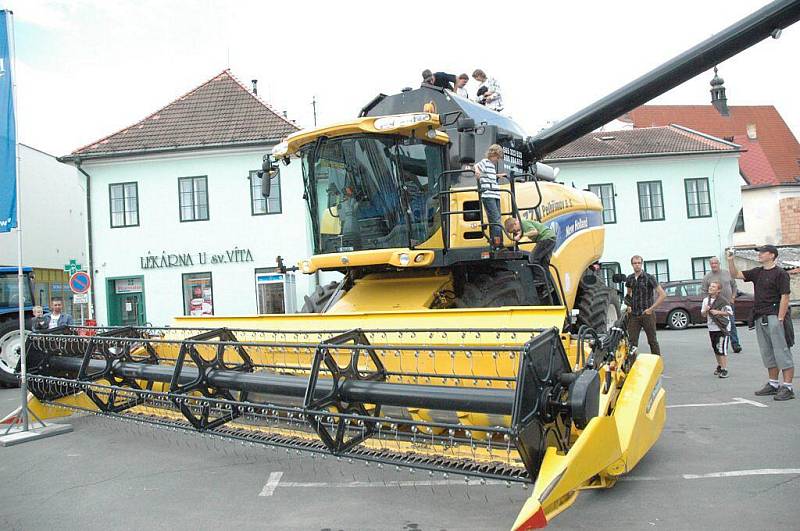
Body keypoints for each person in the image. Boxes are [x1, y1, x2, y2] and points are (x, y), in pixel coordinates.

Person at [727, 245, 794, 401]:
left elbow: (785, 296)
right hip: (760, 316)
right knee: (767, 351)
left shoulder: (781, 273)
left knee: (781, 350)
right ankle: (773, 384)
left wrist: (780, 318)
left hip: (775, 316)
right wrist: (731, 260)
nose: (760, 255)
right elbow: (735, 274)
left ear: (771, 255)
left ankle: (788, 387)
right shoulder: (758, 272)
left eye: (762, 252)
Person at [625, 256, 666, 355]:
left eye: (639, 263)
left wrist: (651, 309)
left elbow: (663, 295)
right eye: (635, 263)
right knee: (632, 342)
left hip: (647, 314)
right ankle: (631, 363)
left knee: (652, 340)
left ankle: (657, 361)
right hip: (634, 315)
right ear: (632, 265)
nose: (637, 265)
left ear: (642, 264)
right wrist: (628, 305)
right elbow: (628, 294)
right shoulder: (630, 278)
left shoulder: (649, 277)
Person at [702, 256, 742, 353]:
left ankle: (735, 344)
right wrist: (708, 302)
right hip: (715, 305)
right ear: (710, 265)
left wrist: (733, 297)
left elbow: (734, 286)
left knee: (731, 323)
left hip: (727, 302)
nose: (714, 265)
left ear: (719, 264)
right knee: (718, 324)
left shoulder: (727, 273)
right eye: (712, 263)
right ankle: (722, 344)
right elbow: (704, 291)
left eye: (715, 263)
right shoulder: (707, 277)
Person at [474, 144, 505, 249]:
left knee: (496, 219)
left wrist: (497, 176)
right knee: (495, 219)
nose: (498, 159)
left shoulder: (492, 166)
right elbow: (476, 166)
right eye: (498, 157)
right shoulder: (485, 162)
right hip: (488, 194)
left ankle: (496, 242)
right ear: (493, 154)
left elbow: (489, 176)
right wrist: (477, 171)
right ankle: (497, 243)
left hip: (495, 194)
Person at [701, 281, 733, 378]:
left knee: (721, 348)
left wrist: (718, 312)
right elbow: (703, 314)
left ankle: (724, 369)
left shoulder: (723, 301)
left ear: (718, 290)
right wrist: (706, 310)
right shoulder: (706, 300)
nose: (711, 288)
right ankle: (719, 365)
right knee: (715, 348)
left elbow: (730, 312)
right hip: (712, 328)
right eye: (710, 286)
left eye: (714, 287)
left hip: (722, 328)